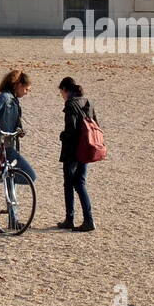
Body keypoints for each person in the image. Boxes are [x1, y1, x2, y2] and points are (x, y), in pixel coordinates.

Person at [58, 77, 100, 232]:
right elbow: (95, 123)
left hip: (72, 151)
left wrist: (62, 136)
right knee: (81, 182)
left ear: (65, 90)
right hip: (86, 148)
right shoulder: (86, 101)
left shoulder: (70, 104)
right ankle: (88, 219)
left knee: (69, 184)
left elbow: (71, 129)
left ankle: (71, 219)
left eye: (61, 92)